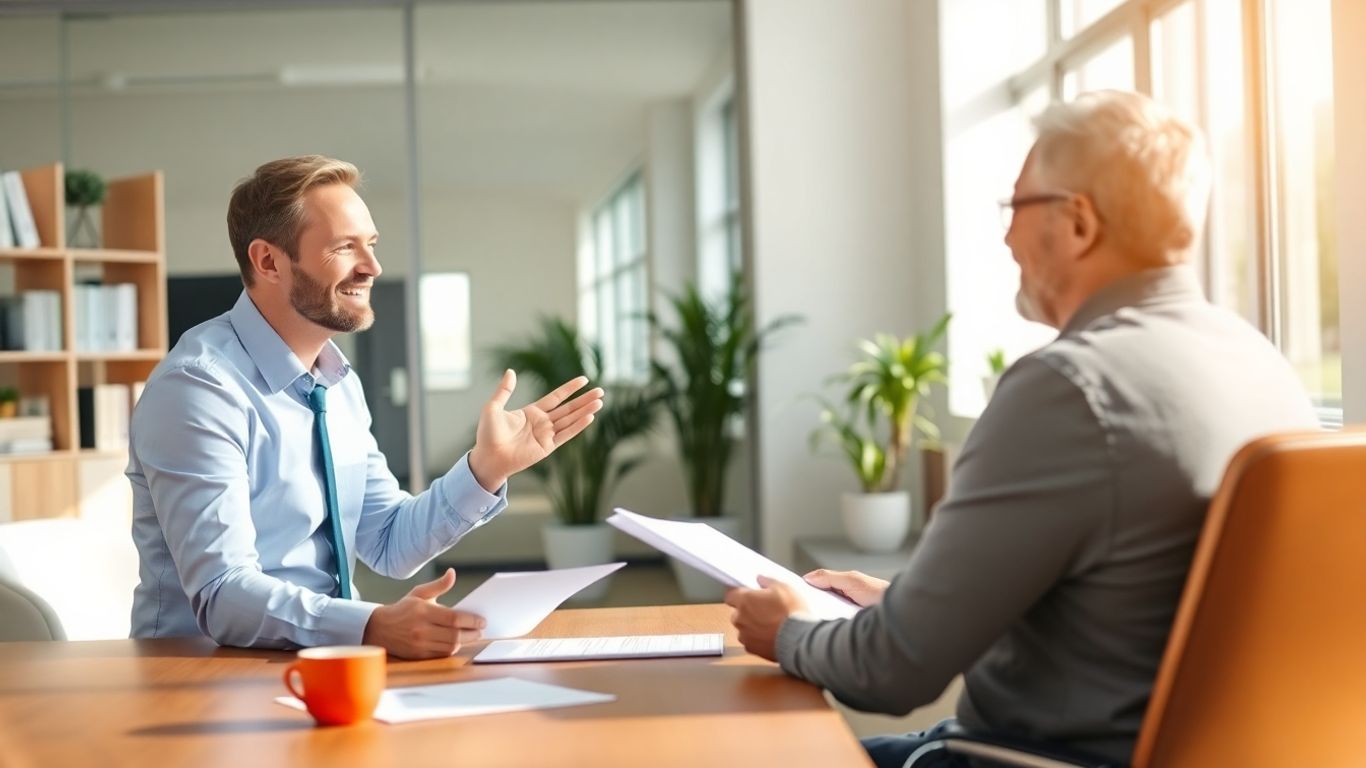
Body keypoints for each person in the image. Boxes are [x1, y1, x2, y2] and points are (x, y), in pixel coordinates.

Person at [725, 90, 1318, 766]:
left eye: (1016, 206)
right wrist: (912, 605)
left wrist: (790, 630)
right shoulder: (1261, 363)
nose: (1007, 237)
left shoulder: (1068, 388)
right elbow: (1134, 610)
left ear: (1078, 223)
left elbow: (890, 672)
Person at [128, 155, 604, 660]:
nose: (372, 267)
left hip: (330, 662)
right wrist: (372, 625)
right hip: (201, 674)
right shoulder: (199, 389)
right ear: (268, 261)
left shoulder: (338, 385)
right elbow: (223, 594)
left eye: (371, 245)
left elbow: (389, 543)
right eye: (344, 247)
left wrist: (486, 469)